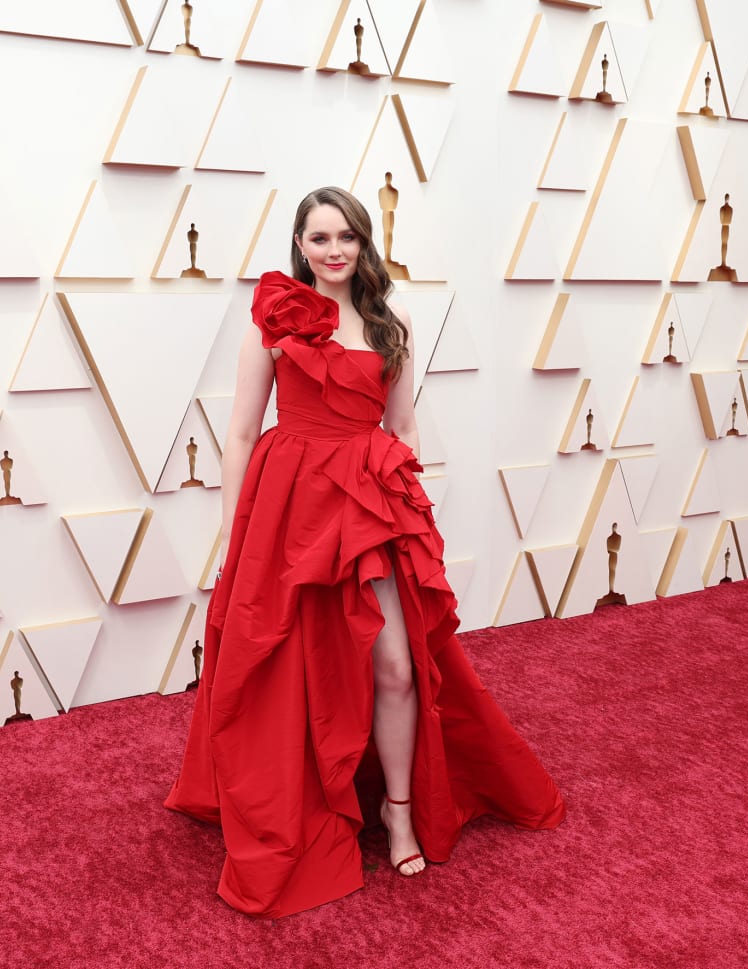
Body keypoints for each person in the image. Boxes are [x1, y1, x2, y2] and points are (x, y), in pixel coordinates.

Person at [165, 186, 565, 919]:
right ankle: (303, 793)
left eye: (346, 236)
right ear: (300, 245)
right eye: (319, 238)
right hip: (288, 505)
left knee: (396, 665)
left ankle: (400, 811)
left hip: (367, 503)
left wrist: (409, 511)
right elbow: (240, 434)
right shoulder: (276, 319)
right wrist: (238, 529)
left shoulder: (393, 320)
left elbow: (404, 424)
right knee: (295, 664)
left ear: (364, 241)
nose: (335, 250)